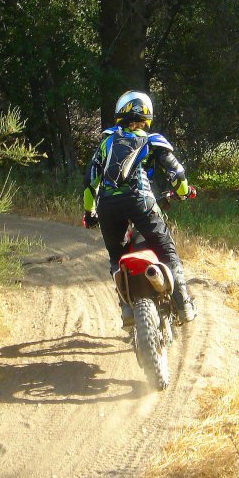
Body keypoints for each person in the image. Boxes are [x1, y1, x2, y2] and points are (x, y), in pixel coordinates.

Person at [82, 90, 197, 328]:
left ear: (120, 114)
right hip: (141, 201)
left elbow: (90, 182)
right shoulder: (152, 140)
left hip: (108, 207)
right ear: (147, 115)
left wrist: (89, 213)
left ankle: (127, 308)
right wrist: (184, 192)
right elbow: (177, 173)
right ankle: (184, 305)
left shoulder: (106, 141)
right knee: (167, 251)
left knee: (117, 257)